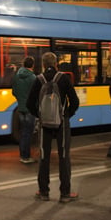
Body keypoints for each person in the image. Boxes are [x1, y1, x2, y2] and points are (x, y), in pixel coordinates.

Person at [26, 52, 80, 203]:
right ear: (56, 64)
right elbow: (75, 101)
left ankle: (43, 192)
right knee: (64, 157)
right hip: (62, 123)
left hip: (45, 125)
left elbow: (29, 104)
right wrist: (67, 114)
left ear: (43, 64)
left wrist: (40, 115)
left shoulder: (38, 80)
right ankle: (65, 194)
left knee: (44, 157)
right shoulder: (64, 79)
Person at [12, 56, 37, 164]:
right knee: (28, 133)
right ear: (32, 65)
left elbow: (14, 92)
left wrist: (21, 100)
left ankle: (22, 155)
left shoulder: (17, 76)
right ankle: (26, 157)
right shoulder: (33, 78)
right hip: (30, 109)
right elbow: (37, 94)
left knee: (23, 133)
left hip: (21, 108)